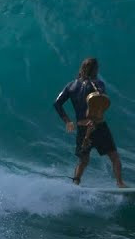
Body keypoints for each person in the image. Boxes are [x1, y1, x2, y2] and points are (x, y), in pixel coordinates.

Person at [54, 58, 127, 187]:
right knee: (114, 157)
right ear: (95, 69)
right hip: (98, 126)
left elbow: (57, 103)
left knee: (83, 160)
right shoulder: (98, 83)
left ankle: (75, 184)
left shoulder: (71, 85)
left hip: (82, 127)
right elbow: (102, 99)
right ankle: (120, 183)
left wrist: (68, 121)